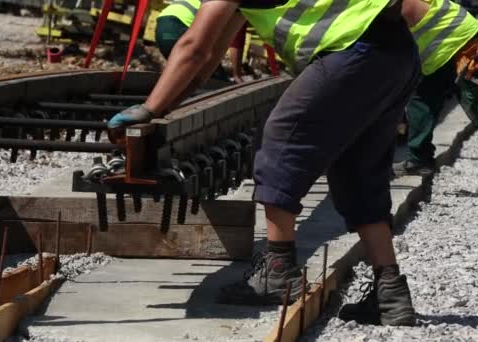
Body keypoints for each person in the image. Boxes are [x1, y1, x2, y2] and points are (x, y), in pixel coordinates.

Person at [108, 0, 421, 326]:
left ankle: (278, 270)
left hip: (353, 49)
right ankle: (391, 293)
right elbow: (209, 53)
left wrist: (150, 108)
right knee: (359, 170)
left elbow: (194, 47)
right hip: (396, 52)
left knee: (278, 141)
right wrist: (172, 102)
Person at [393, 0, 478, 197]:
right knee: (422, 100)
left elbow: (408, 12)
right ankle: (419, 159)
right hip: (438, 51)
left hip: (463, 42)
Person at [155, 0, 246, 83]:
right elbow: (235, 41)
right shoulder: (239, 6)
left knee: (184, 75)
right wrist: (236, 74)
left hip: (163, 29)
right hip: (180, 29)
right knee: (215, 81)